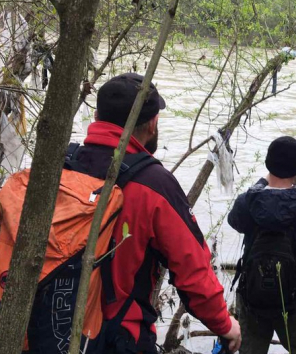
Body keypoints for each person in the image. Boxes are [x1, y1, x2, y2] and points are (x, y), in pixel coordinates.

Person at [79, 73, 241, 353]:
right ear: (153, 124)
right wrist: (225, 325)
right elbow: (194, 272)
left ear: (96, 117)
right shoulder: (153, 184)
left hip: (46, 328)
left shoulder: (61, 166)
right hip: (114, 337)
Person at [228, 136, 296, 354]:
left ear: (268, 164)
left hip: (252, 297)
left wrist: (262, 183)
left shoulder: (247, 202)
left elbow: (234, 221)